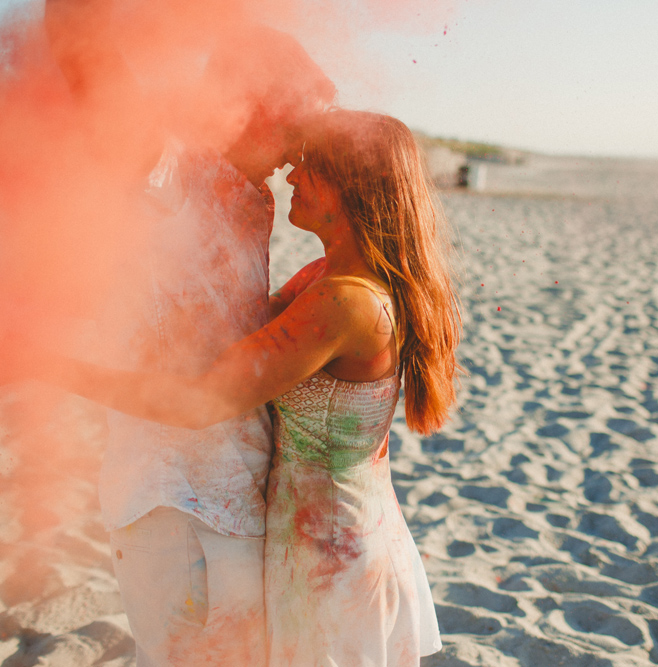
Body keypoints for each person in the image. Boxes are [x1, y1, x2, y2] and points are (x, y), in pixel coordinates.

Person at [2, 110, 457, 666]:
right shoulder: (327, 280)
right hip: (331, 537)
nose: (291, 174)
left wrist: (48, 365)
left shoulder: (344, 302)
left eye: (310, 165)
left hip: (331, 558)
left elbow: (201, 401)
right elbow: (228, 332)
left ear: (349, 185)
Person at [40, 1, 337, 663]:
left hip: (241, 486)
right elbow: (86, 62)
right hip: (171, 498)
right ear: (244, 105)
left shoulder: (256, 198)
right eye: (292, 123)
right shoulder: (164, 172)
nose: (297, 153)